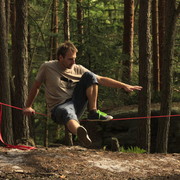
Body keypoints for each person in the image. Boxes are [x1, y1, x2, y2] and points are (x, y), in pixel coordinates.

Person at [24, 41, 142, 147]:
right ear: (60, 57)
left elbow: (100, 79)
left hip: (76, 102)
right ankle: (79, 132)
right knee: (67, 111)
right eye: (70, 59)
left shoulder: (78, 68)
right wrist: (28, 106)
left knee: (90, 76)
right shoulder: (47, 67)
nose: (74, 62)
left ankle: (93, 112)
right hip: (58, 108)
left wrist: (124, 85)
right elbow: (36, 87)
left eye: (75, 58)